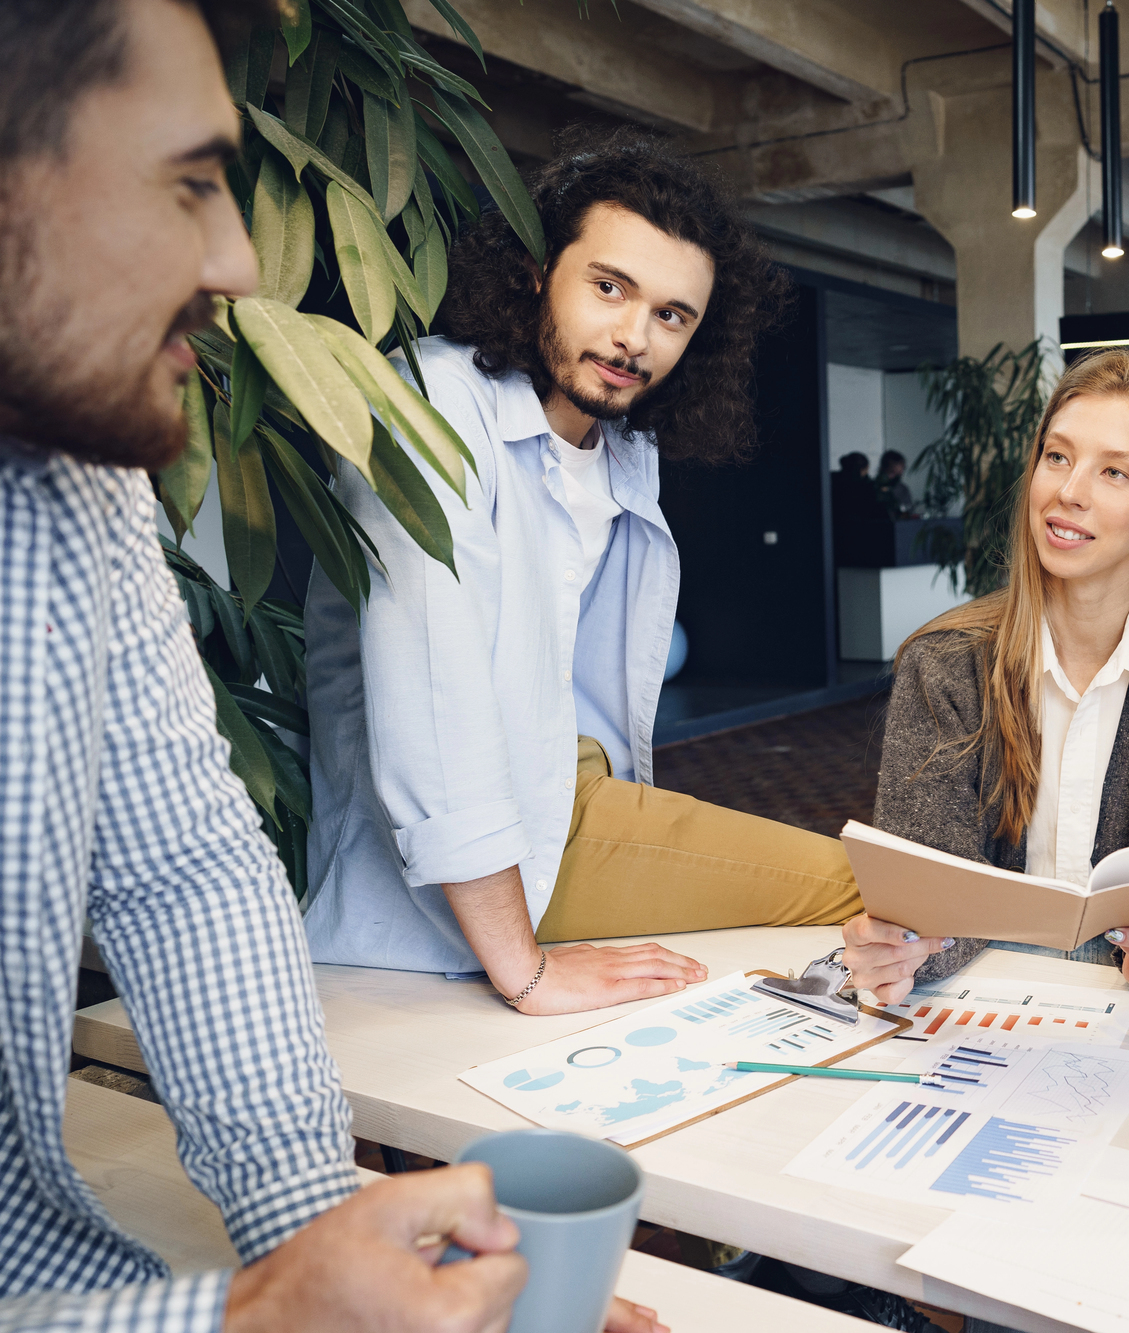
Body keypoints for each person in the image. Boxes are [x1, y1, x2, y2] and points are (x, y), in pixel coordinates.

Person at [0, 2, 665, 1329]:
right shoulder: (434, 415)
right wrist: (260, 1321)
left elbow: (182, 858)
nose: (243, 261)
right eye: (190, 184)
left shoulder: (73, 475)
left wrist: (329, 1236)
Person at [303, 124, 863, 1014]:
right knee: (860, 884)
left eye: (672, 315)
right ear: (534, 275)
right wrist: (525, 968)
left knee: (854, 892)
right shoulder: (431, 399)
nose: (634, 336)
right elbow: (432, 701)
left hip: (570, 792)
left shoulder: (621, 446)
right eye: (609, 287)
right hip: (474, 842)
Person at [841, 350, 1129, 1005]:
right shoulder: (944, 663)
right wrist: (901, 946)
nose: (1069, 491)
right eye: (1057, 456)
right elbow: (928, 897)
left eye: (1114, 471)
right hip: (978, 1002)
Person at [876, 449, 916, 516]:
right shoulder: (873, 487)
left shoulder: (902, 489)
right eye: (891, 472)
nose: (901, 472)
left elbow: (908, 510)